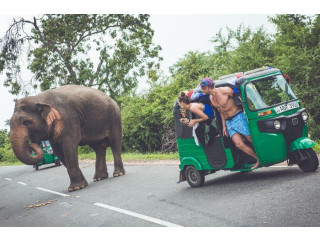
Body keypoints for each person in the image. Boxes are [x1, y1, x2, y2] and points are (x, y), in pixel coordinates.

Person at [200, 78, 260, 169]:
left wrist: (246, 110)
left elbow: (241, 97)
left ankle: (264, 156)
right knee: (239, 144)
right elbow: (221, 111)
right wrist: (224, 126)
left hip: (238, 116)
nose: (202, 90)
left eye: (203, 87)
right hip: (229, 122)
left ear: (208, 87)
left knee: (251, 139)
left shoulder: (225, 91)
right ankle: (258, 159)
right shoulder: (211, 98)